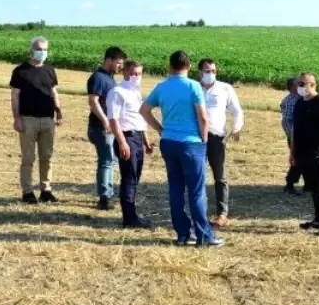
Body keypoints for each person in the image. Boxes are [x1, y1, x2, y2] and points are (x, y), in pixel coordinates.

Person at [140, 50, 224, 248]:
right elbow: (203, 118)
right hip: (191, 143)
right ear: (190, 66)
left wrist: (161, 129)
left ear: (170, 66)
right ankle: (204, 235)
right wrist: (204, 140)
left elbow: (144, 110)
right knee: (196, 191)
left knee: (175, 189)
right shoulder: (194, 86)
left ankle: (183, 234)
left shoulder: (162, 87)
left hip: (169, 142)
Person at [10, 36, 62, 204]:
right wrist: (17, 118)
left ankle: (46, 190)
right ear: (32, 50)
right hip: (28, 120)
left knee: (47, 156)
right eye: (39, 49)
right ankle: (27, 192)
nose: (42, 53)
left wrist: (58, 112)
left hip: (48, 120)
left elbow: (54, 92)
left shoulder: (50, 70)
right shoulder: (20, 71)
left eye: (45, 50)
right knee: (28, 158)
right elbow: (15, 96)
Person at [106, 60, 153, 228]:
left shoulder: (136, 92)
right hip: (126, 138)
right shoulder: (117, 92)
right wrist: (122, 142)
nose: (136, 77)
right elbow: (114, 120)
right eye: (133, 73)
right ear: (125, 72)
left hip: (137, 137)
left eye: (139, 74)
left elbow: (138, 118)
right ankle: (129, 218)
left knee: (135, 177)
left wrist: (145, 139)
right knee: (129, 178)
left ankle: (132, 214)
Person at [198, 58, 243, 226]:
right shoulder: (194, 88)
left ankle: (222, 213)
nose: (211, 74)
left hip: (217, 138)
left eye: (214, 71)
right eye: (207, 71)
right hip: (197, 138)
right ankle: (199, 212)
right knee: (198, 176)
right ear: (200, 72)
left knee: (220, 177)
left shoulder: (225, 88)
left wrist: (237, 127)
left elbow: (237, 111)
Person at [291, 72, 319, 236]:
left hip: (317, 153)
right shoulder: (299, 104)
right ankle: (318, 219)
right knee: (312, 187)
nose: (299, 87)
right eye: (298, 83)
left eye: (302, 84)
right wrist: (292, 153)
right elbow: (295, 130)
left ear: (312, 84)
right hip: (302, 153)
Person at [87, 46, 127, 211]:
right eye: (118, 62)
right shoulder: (98, 78)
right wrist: (105, 121)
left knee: (110, 161)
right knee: (107, 161)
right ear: (109, 60)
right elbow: (93, 101)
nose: (120, 66)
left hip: (109, 128)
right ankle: (105, 197)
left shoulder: (110, 78)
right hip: (100, 128)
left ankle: (108, 193)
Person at [281, 77, 305, 196]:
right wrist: (294, 137)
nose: (301, 87)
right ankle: (289, 184)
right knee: (298, 160)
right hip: (296, 136)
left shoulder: (300, 98)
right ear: (291, 87)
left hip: (300, 135)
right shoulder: (291, 101)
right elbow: (287, 121)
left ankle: (308, 185)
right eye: (298, 85)